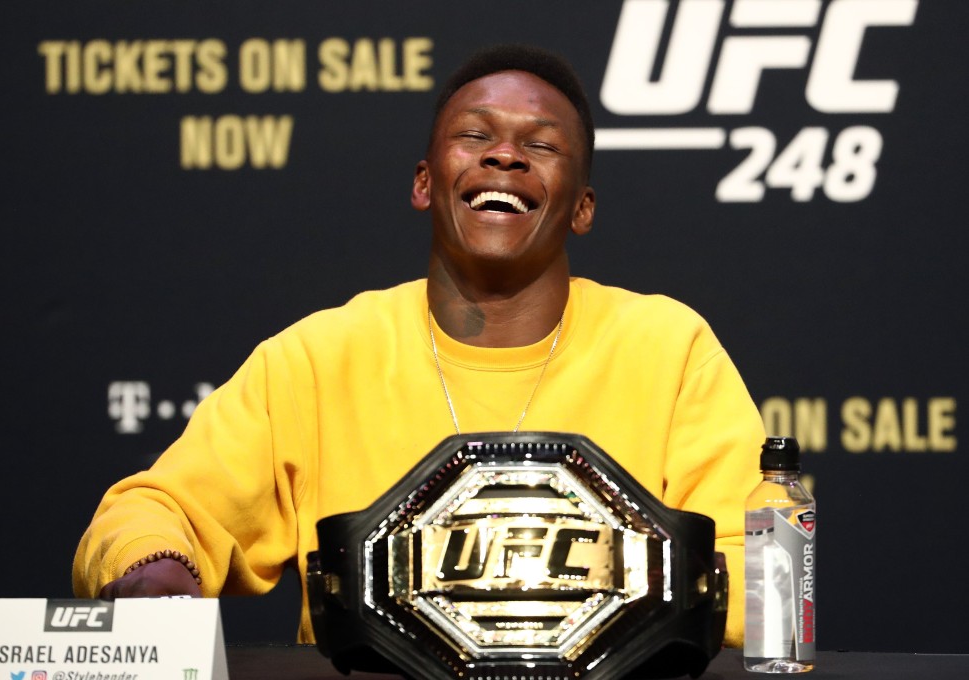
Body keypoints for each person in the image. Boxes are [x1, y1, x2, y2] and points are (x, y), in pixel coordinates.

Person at [73, 44, 765, 647]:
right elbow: (154, 512)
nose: (505, 154)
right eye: (476, 136)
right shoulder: (318, 359)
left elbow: (754, 580)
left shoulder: (669, 349)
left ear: (582, 207)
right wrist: (154, 573)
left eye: (541, 145)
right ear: (424, 183)